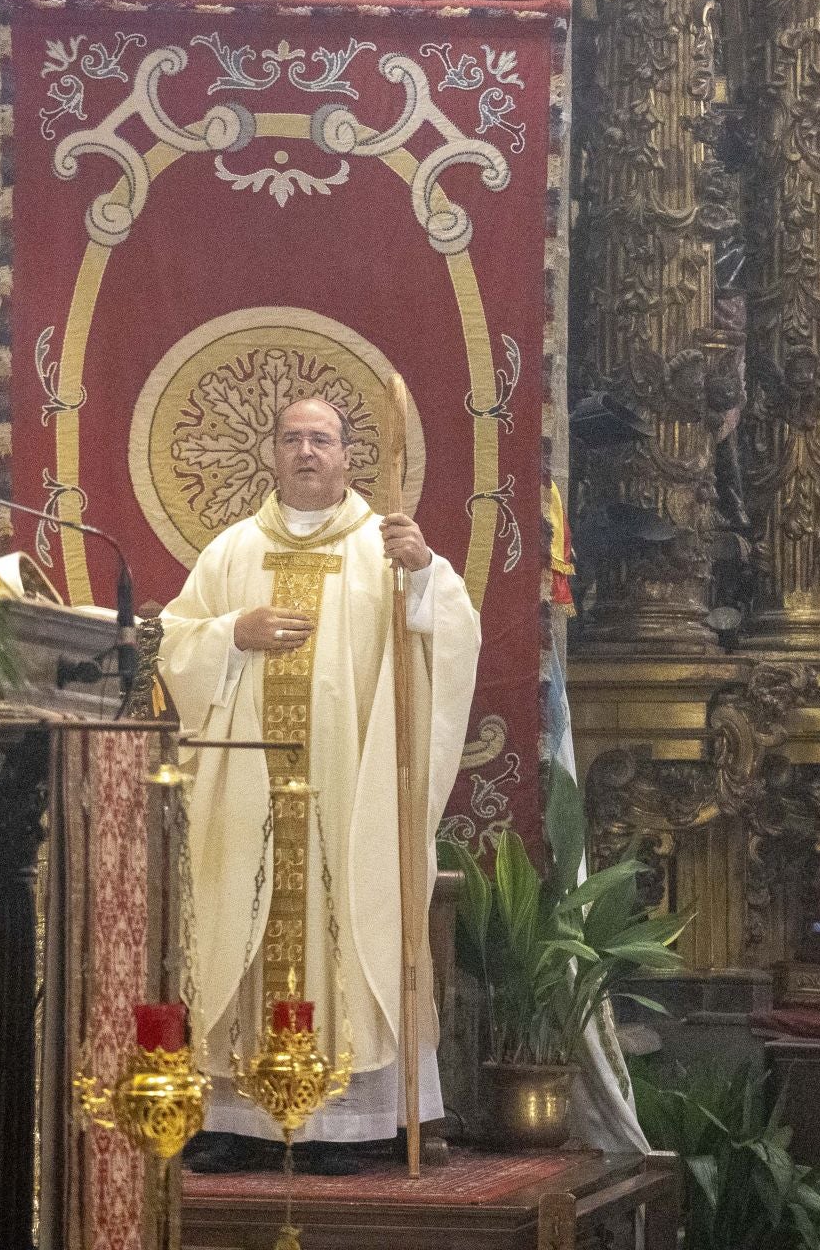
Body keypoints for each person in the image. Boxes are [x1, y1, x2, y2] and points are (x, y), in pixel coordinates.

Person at [160, 395, 480, 1174]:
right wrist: (233, 633)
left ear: (347, 456)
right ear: (272, 454)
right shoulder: (232, 552)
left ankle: (347, 1124)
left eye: (323, 440)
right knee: (242, 927)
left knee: (348, 929)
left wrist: (425, 574)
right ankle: (239, 1122)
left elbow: (452, 635)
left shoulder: (385, 546)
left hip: (349, 794)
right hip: (246, 796)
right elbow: (170, 636)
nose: (307, 452)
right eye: (294, 439)